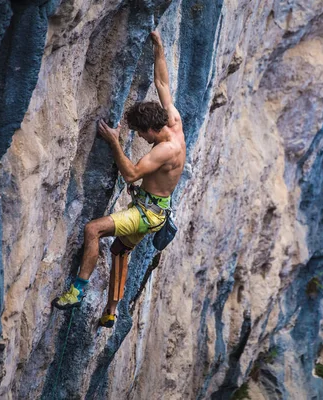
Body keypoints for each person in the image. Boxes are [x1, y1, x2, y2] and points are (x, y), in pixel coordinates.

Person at [52, 31, 186, 327]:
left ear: (151, 130)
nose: (138, 137)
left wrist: (114, 141)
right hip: (157, 209)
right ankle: (111, 310)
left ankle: (76, 291)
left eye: (139, 133)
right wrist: (159, 45)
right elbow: (162, 82)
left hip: (145, 214)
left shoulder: (166, 149)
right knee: (120, 250)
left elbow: (131, 173)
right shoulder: (173, 120)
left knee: (92, 230)